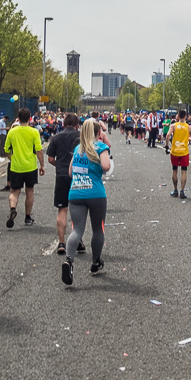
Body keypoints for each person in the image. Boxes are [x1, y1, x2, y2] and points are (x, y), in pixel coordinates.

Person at [62, 118, 111, 282]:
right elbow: (105, 167)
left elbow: (70, 173)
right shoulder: (101, 147)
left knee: (77, 230)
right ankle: (95, 262)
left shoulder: (78, 149)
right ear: (98, 133)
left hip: (76, 193)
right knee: (98, 229)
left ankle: (69, 261)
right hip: (96, 193)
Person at [46, 113, 83, 254]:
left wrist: (60, 165)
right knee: (78, 210)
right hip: (78, 175)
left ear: (63, 124)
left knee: (62, 209)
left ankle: (61, 243)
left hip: (61, 175)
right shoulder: (81, 137)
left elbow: (50, 159)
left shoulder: (56, 138)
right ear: (77, 125)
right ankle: (78, 241)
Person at [4, 108, 46, 228]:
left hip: (16, 167)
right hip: (30, 166)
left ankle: (13, 208)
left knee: (14, 192)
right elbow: (39, 150)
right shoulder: (34, 132)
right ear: (29, 118)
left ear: (18, 118)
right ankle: (27, 217)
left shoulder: (12, 132)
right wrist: (42, 165)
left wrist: (12, 159)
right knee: (30, 191)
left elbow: (7, 149)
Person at [165, 109, 191, 199]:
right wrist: (187, 139)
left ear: (177, 116)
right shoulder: (189, 127)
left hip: (175, 151)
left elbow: (167, 135)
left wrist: (167, 145)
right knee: (184, 171)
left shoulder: (173, 126)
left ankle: (175, 190)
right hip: (184, 152)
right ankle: (182, 191)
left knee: (174, 170)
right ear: (186, 116)